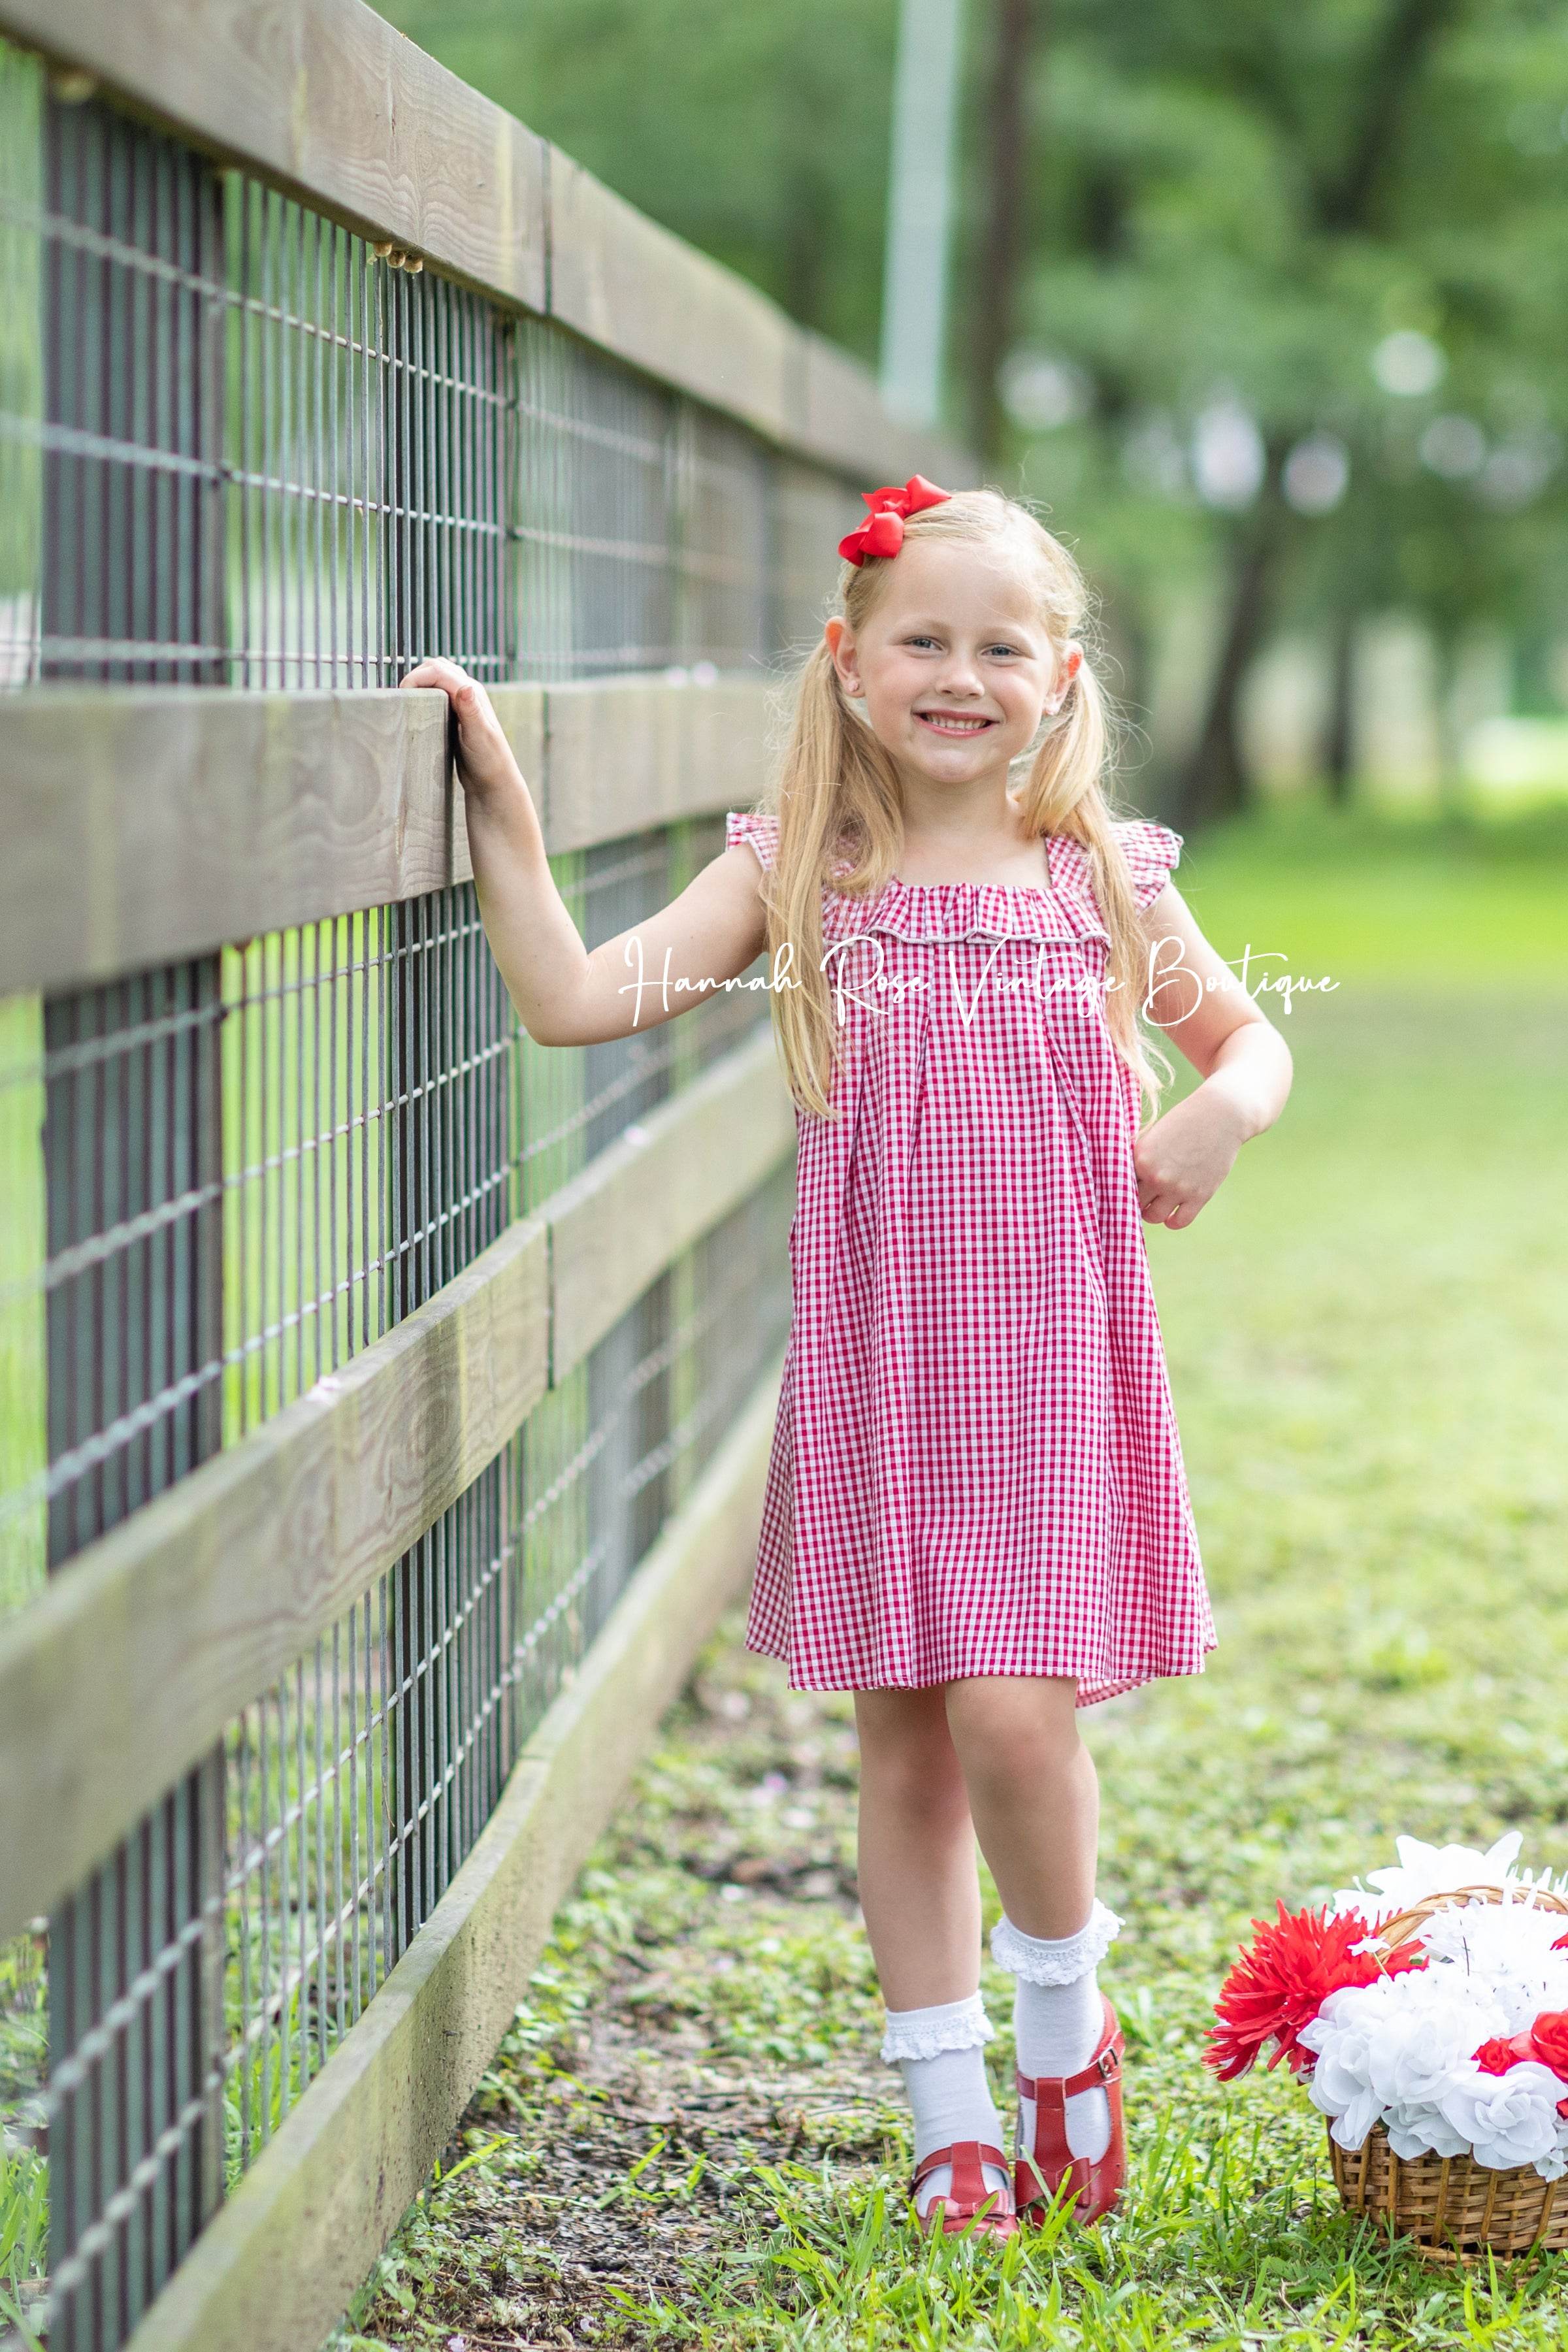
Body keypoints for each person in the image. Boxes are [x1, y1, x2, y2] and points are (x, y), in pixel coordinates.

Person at [400, 476, 1293, 2242]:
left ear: (1059, 674)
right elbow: (580, 998)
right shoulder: (800, 871)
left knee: (1019, 1715)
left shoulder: (1100, 872)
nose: (961, 676)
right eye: (925, 643)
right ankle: (948, 2112)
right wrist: (500, 803)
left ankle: (1064, 2022)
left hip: (1044, 1359)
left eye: (1000, 647)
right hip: (887, 1369)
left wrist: (1218, 1119)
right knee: (907, 1746)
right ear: (852, 661)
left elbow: (1251, 1043)